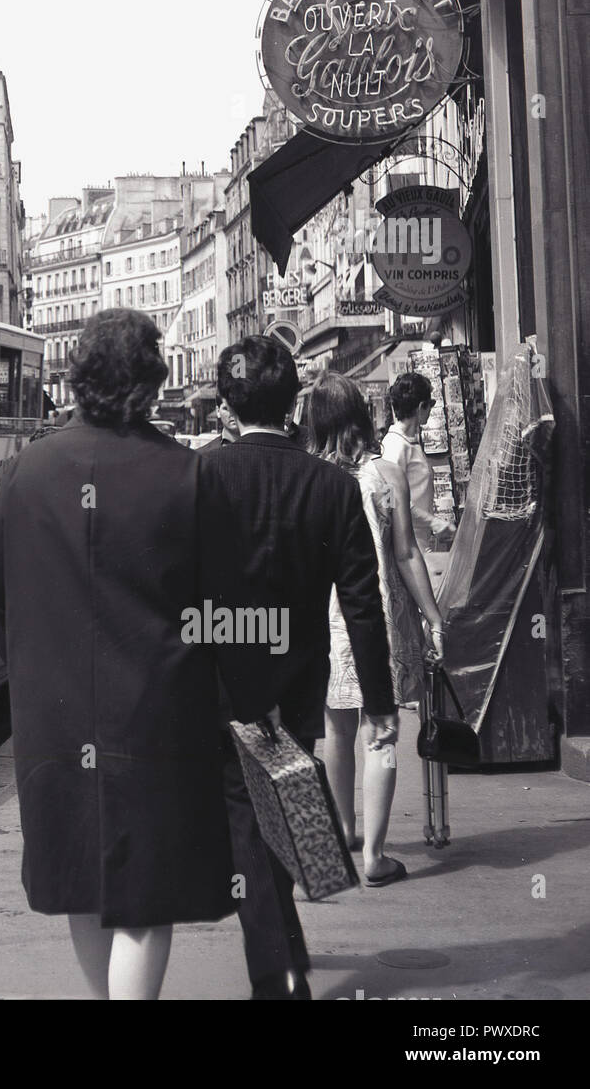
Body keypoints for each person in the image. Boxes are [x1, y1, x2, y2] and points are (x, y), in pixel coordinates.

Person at [0, 309, 256, 1000]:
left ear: (78, 376)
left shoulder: (21, 474)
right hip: (158, 715)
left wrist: (33, 675)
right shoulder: (190, 476)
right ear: (151, 377)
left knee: (82, 879)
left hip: (54, 715)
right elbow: (224, 613)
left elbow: (0, 598)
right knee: (146, 896)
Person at [199, 335, 396, 1001]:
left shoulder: (204, 477)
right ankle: (285, 952)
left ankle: (280, 980)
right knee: (276, 808)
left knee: (252, 828)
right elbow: (363, 603)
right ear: (294, 401)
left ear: (229, 399)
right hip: (301, 681)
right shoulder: (332, 486)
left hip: (226, 678)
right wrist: (381, 702)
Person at [309, 372, 446, 887]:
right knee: (381, 729)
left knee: (337, 729)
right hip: (379, 616)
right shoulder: (386, 474)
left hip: (327, 621)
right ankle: (376, 854)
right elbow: (407, 554)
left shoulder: (311, 476)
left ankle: (346, 829)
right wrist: (433, 617)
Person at [382, 372, 453, 555]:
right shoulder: (394, 446)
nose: (430, 410)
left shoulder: (409, 442)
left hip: (418, 542)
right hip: (407, 546)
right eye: (431, 405)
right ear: (421, 406)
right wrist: (434, 522)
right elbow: (389, 500)